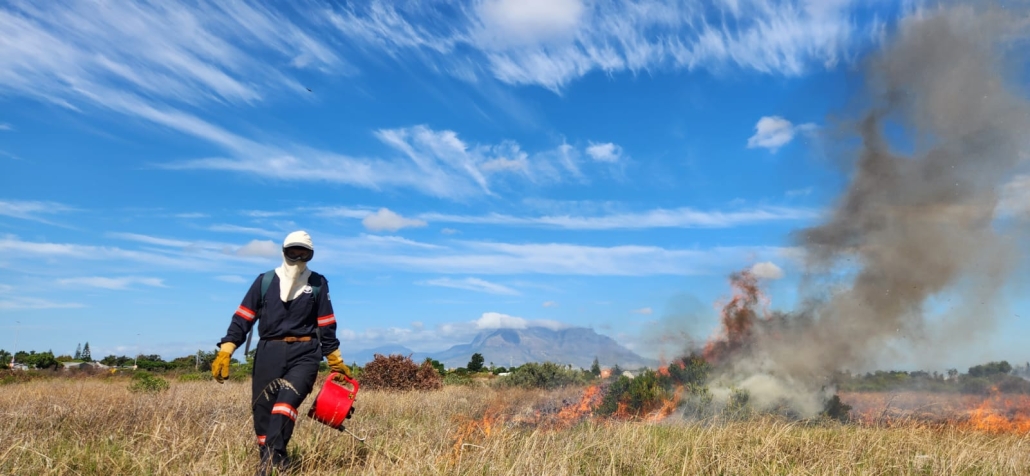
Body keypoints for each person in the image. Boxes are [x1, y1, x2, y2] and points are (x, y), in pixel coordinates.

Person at [211, 230, 351, 475]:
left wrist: (334, 359)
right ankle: (270, 465)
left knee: (285, 405)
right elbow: (243, 317)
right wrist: (227, 349)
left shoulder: (317, 283)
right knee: (263, 412)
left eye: (303, 253)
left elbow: (326, 323)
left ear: (310, 256)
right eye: (292, 252)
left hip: (306, 353)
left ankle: (273, 462)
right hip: (268, 351)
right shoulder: (265, 281)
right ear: (283, 252)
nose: (297, 258)